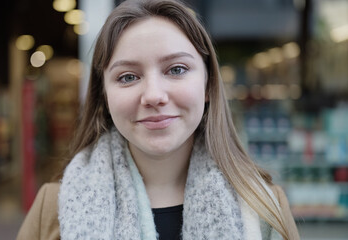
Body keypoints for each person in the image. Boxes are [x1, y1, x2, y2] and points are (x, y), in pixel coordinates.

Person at [17, 0, 300, 239]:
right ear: (103, 95)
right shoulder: (51, 207)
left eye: (176, 69)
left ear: (209, 85)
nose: (153, 95)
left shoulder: (265, 208)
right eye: (128, 77)